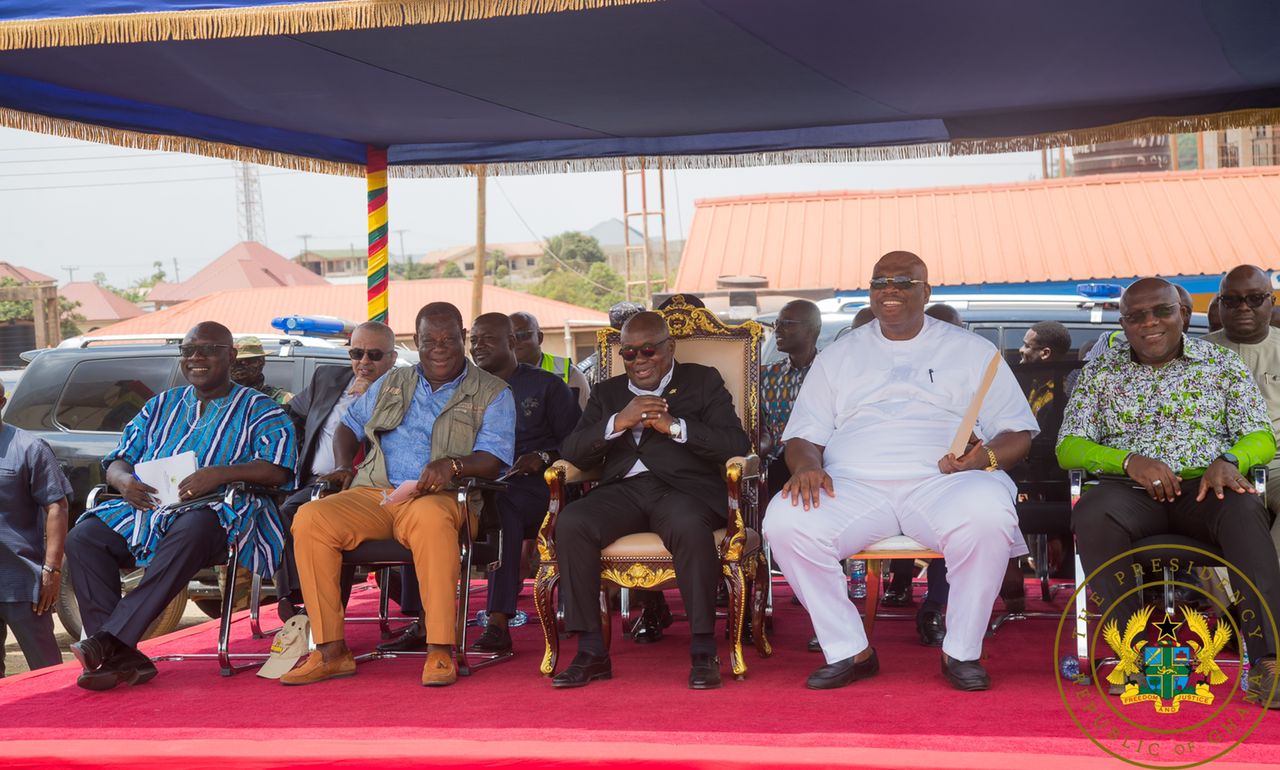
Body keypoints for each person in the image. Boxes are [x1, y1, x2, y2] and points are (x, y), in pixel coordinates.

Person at [764, 250, 1037, 692]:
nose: (889, 289)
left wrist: (982, 459)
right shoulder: (839, 354)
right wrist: (808, 465)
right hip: (853, 483)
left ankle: (961, 651)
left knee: (989, 516)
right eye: (880, 282)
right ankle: (849, 649)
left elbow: (1018, 433)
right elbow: (802, 436)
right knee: (785, 520)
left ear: (926, 292)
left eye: (902, 281)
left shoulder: (971, 351)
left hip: (946, 482)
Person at [1060, 277, 1280, 706]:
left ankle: (1268, 660)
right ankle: (1132, 654)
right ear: (1123, 323)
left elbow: (1260, 435)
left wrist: (1231, 459)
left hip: (1206, 487)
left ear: (1182, 313)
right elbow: (1068, 446)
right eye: (1136, 316)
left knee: (1245, 510)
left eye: (1161, 311)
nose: (1150, 323)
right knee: (1092, 512)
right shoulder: (1101, 372)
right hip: (1129, 492)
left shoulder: (1220, 363)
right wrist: (1128, 461)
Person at [281, 302, 514, 688]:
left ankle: (440, 648)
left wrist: (454, 465)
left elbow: (494, 459)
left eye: (448, 340)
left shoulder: (492, 392)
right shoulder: (393, 381)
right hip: (375, 492)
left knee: (431, 519)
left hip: (441, 498)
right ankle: (331, 650)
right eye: (429, 341)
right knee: (311, 517)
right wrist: (344, 464)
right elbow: (348, 425)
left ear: (463, 338)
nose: (438, 349)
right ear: (416, 342)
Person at [66, 322, 297, 691]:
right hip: (150, 509)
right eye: (188, 351)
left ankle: (107, 643)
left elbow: (279, 469)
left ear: (230, 355)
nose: (195, 358)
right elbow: (119, 459)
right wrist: (124, 482)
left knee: (193, 525)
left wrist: (219, 474)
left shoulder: (262, 409)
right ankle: (117, 655)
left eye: (207, 350)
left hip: (224, 513)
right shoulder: (160, 405)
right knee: (84, 537)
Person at [551, 311, 750, 690]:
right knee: (573, 522)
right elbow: (572, 450)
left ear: (669, 347)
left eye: (648, 350)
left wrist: (674, 427)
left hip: (683, 491)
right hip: (622, 491)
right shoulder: (608, 392)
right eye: (629, 353)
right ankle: (591, 652)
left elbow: (734, 443)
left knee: (688, 526)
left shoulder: (702, 380)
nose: (639, 360)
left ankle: (703, 650)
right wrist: (617, 423)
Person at [466, 312, 580, 652]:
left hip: (535, 486)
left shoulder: (547, 385)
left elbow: (577, 444)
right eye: (474, 340)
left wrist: (543, 456)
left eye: (488, 339)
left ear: (512, 342)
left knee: (503, 506)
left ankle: (498, 620)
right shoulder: (464, 388)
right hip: (475, 483)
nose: (478, 346)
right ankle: (424, 618)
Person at [272, 321, 399, 620]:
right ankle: (299, 599)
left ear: (392, 358)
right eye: (357, 353)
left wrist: (369, 398)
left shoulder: (402, 388)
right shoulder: (327, 378)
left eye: (374, 355)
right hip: (318, 481)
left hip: (371, 485)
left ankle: (316, 610)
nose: (364, 362)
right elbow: (289, 417)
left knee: (320, 518)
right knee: (287, 511)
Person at [1203, 266, 1280, 542]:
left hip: (1275, 465)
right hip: (1209, 466)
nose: (1243, 307)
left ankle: (1267, 569)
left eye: (1255, 298)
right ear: (1220, 304)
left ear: (1271, 301)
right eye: (1232, 300)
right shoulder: (1195, 354)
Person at [0, 382, 72, 676]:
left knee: (47, 673)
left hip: (23, 582)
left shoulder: (29, 448)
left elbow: (57, 507)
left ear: (1, 402)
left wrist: (52, 570)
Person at [510, 312, 591, 410]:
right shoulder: (499, 374)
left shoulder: (568, 372)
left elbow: (587, 416)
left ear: (539, 338)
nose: (516, 341)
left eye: (522, 335)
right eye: (510, 337)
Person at [232, 336, 293, 405]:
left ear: (260, 363)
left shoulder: (284, 400)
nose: (239, 366)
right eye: (235, 361)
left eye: (247, 361)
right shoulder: (223, 397)